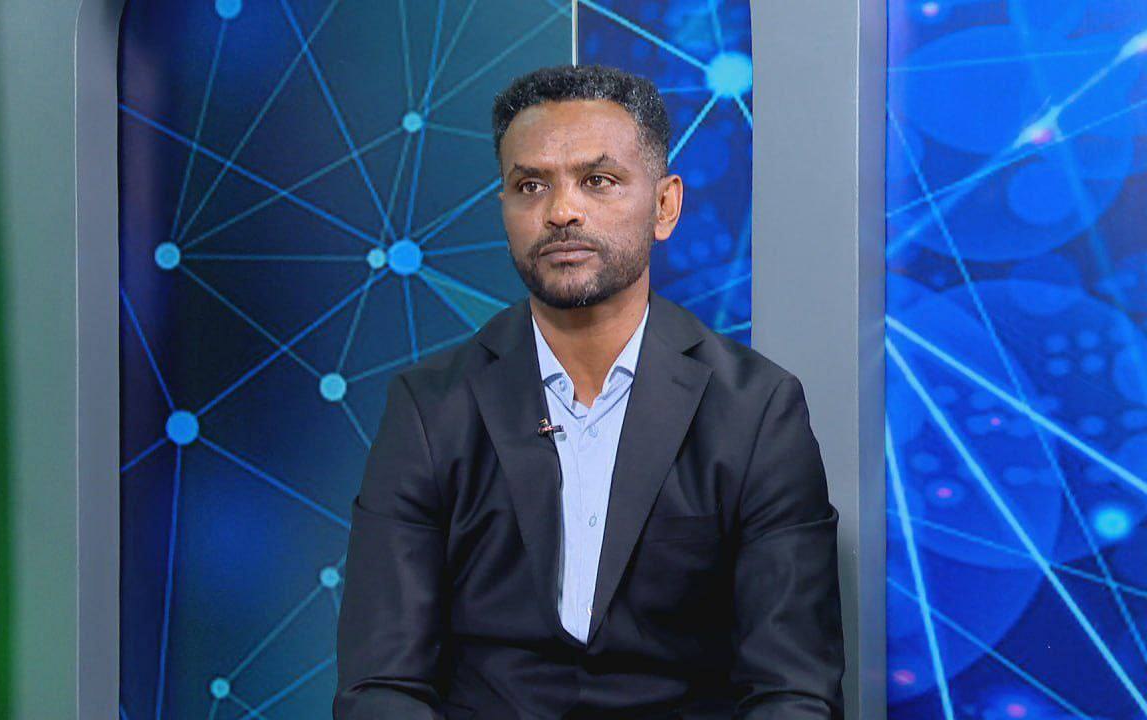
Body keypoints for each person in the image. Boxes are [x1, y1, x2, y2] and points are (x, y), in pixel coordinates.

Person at [334, 64, 844, 719]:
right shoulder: (431, 408)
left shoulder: (755, 410)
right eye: (531, 185)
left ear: (664, 206)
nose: (561, 211)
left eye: (597, 180)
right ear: (504, 208)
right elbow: (381, 685)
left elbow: (792, 690)